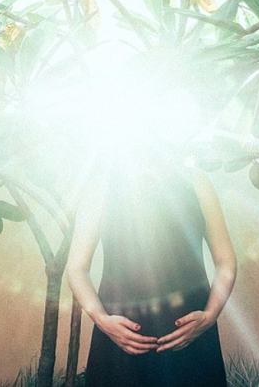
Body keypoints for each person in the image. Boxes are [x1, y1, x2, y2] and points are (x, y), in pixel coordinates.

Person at [66, 151, 237, 387]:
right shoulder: (101, 188)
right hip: (121, 343)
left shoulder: (196, 183)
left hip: (192, 339)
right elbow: (76, 269)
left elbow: (225, 261)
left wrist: (209, 316)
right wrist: (103, 320)